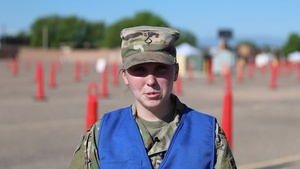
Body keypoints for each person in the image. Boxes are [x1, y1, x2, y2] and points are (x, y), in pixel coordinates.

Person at [69, 26, 237, 169]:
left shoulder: (208, 134)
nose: (151, 81)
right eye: (139, 70)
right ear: (125, 76)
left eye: (160, 68)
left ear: (176, 72)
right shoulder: (101, 134)